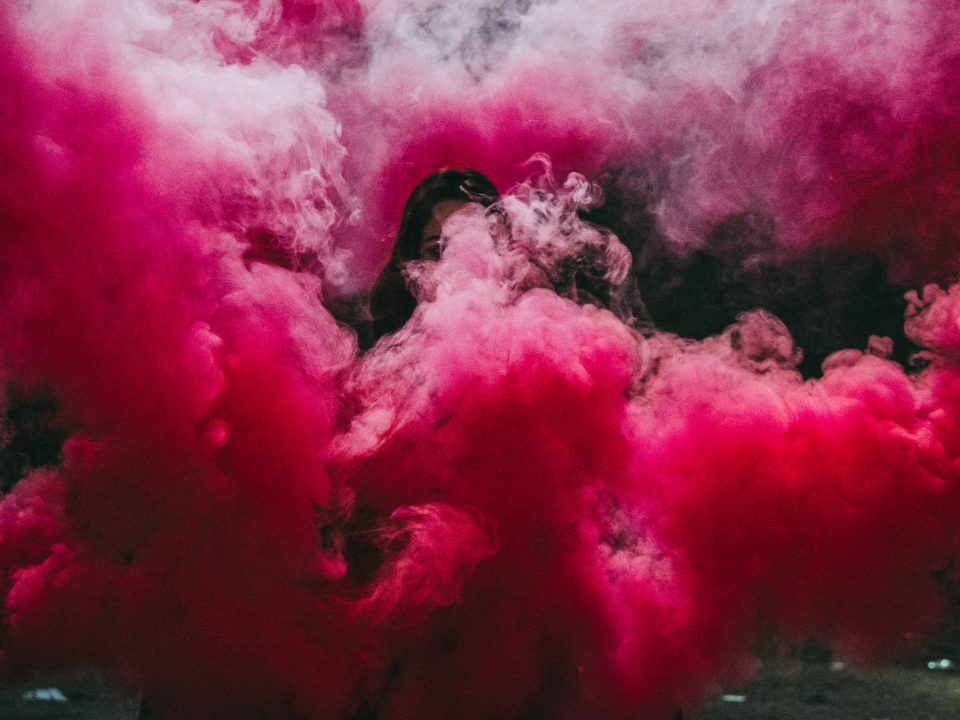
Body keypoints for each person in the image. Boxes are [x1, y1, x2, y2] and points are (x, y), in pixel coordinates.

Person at [360, 169, 499, 349]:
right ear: (412, 259)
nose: (454, 268)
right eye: (438, 250)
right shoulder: (377, 351)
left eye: (473, 247)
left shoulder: (529, 341)